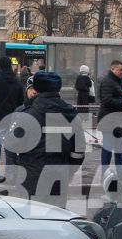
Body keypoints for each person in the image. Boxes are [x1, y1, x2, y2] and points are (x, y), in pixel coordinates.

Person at [8, 70, 82, 200]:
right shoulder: (71, 114)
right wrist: (68, 171)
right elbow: (78, 152)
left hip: (31, 180)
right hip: (59, 180)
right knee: (56, 217)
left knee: (32, 217)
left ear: (37, 88)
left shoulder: (27, 115)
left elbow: (11, 144)